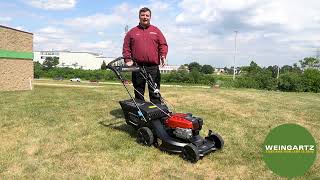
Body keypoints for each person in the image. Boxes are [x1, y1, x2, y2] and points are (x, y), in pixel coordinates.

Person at [122, 7, 168, 104]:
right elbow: (126, 47)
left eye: (147, 15)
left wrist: (163, 56)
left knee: (154, 90)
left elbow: (163, 44)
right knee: (139, 91)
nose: (145, 17)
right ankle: (141, 114)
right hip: (137, 66)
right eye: (143, 15)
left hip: (153, 67)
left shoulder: (156, 31)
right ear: (139, 17)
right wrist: (127, 59)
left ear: (150, 17)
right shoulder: (132, 32)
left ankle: (156, 112)